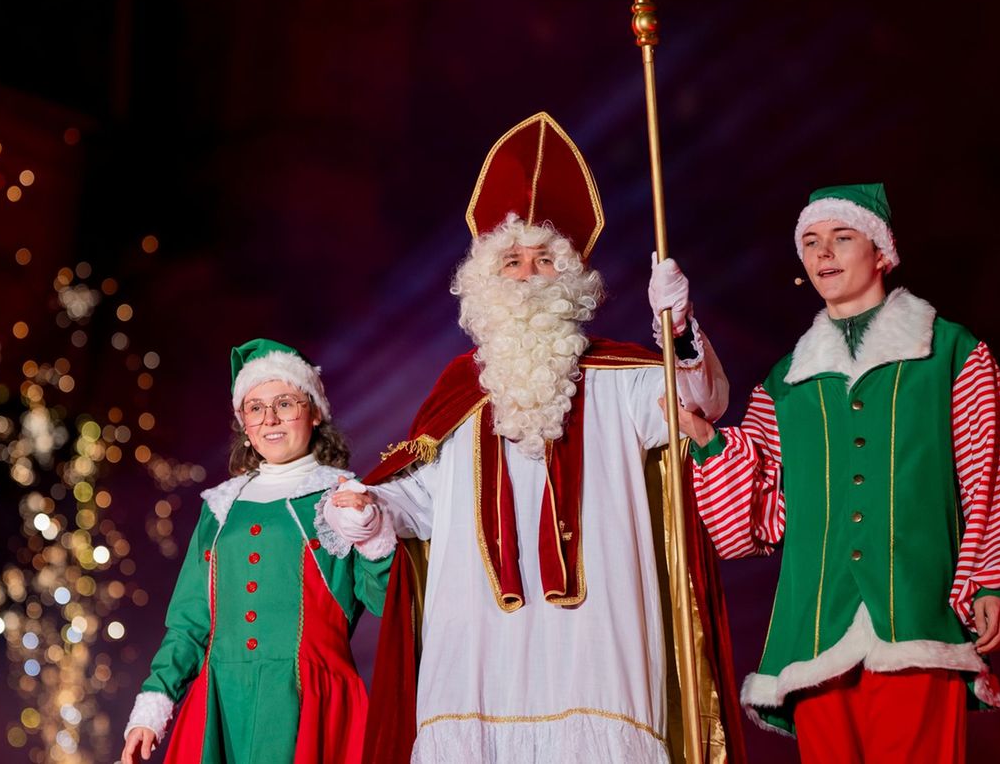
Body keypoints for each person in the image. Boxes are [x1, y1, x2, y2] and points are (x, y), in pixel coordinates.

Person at [330, 112, 745, 763]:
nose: (526, 276)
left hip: (596, 649)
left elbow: (699, 402)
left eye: (543, 260)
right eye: (512, 262)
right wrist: (372, 511)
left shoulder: (623, 380)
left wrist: (680, 330)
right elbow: (422, 501)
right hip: (477, 656)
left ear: (571, 274)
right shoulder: (458, 397)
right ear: (487, 281)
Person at [679, 184, 1000, 763]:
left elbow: (996, 470)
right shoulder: (787, 382)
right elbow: (751, 521)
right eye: (811, 241)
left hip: (918, 616)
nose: (823, 252)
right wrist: (707, 442)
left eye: (842, 237)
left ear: (881, 252)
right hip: (815, 628)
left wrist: (995, 581)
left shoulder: (949, 353)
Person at [121, 339, 394, 764]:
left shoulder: (343, 496)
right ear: (243, 424)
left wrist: (373, 534)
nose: (270, 418)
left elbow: (384, 601)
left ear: (315, 412)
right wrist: (153, 708)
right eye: (255, 407)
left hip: (310, 701)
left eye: (285, 403)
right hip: (220, 705)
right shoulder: (220, 507)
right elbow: (190, 623)